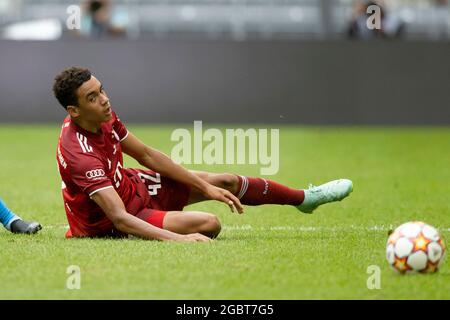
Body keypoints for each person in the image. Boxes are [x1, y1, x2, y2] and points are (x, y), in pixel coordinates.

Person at [52, 67, 353, 242]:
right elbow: (119, 217)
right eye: (93, 97)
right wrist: (181, 241)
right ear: (74, 111)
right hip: (117, 220)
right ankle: (172, 226)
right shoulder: (79, 153)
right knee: (209, 224)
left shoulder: (103, 116)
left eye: (102, 90)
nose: (104, 100)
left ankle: (305, 199)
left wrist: (206, 186)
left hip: (133, 187)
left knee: (223, 181)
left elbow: (146, 155)